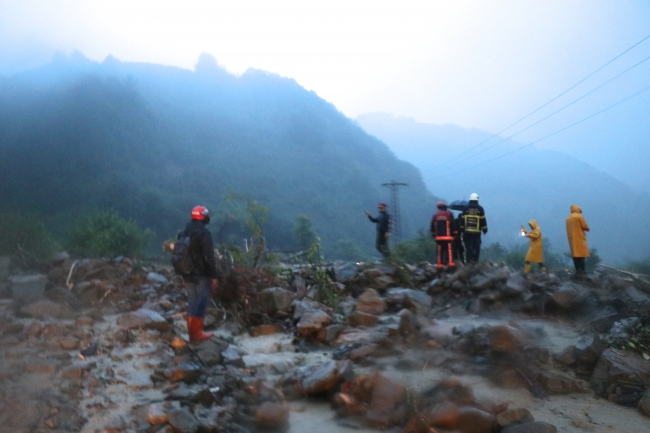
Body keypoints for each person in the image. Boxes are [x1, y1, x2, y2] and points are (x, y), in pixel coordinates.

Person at [178, 205, 219, 342]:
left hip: (186, 273)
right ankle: (197, 334)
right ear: (204, 217)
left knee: (192, 302)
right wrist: (214, 276)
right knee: (200, 303)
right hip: (201, 274)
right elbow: (208, 258)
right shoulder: (204, 233)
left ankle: (192, 334)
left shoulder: (184, 232)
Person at [459, 193, 487, 264]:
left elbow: (462, 220)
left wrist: (461, 229)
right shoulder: (480, 209)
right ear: (477, 200)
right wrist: (485, 229)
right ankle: (475, 261)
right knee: (476, 247)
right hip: (477, 233)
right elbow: (483, 220)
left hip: (467, 232)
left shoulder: (465, 208)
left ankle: (469, 262)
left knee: (468, 247)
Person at [566, 204, 590, 275]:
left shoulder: (568, 218)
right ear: (578, 209)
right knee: (582, 255)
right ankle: (583, 270)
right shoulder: (579, 216)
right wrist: (587, 228)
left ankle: (577, 270)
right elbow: (584, 226)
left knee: (575, 255)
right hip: (579, 238)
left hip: (571, 239)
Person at [430, 202, 456, 269]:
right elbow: (453, 225)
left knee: (439, 252)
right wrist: (455, 234)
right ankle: (451, 265)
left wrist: (434, 236)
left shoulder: (435, 215)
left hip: (438, 238)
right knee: (449, 251)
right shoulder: (449, 214)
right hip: (448, 237)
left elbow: (432, 227)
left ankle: (439, 266)